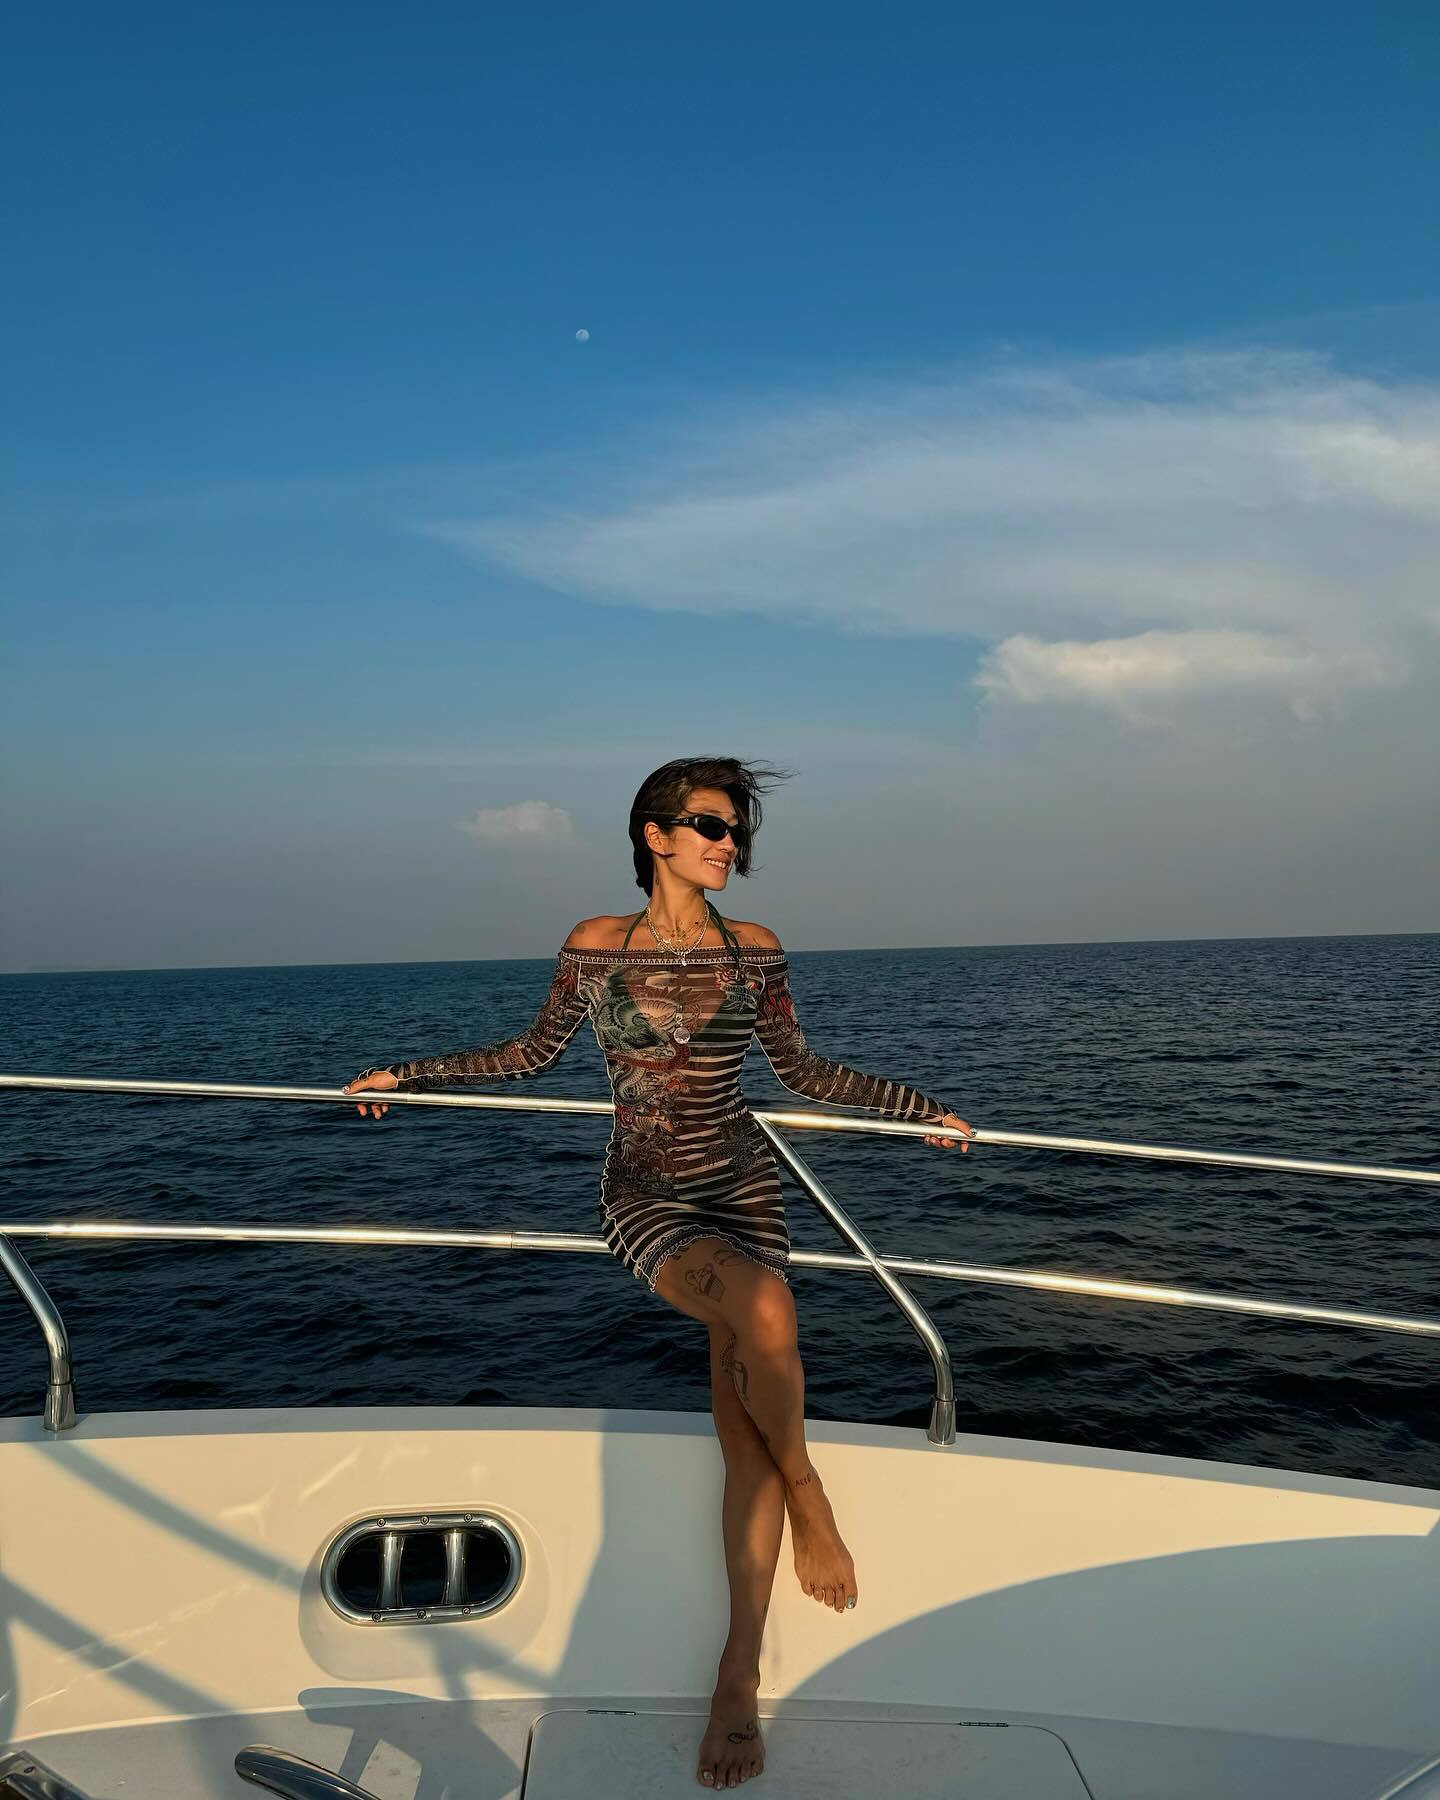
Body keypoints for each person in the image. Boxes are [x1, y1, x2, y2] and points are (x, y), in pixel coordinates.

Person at [345, 755, 973, 1790]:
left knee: (743, 1424)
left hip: (745, 1187)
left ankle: (737, 1674)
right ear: (656, 835)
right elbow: (530, 1054)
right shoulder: (596, 945)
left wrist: (920, 1110)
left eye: (737, 832)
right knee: (766, 1311)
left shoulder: (755, 949)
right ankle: (810, 1492)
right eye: (713, 826)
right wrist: (405, 1075)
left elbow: (803, 1070)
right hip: (644, 1195)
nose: (731, 845)